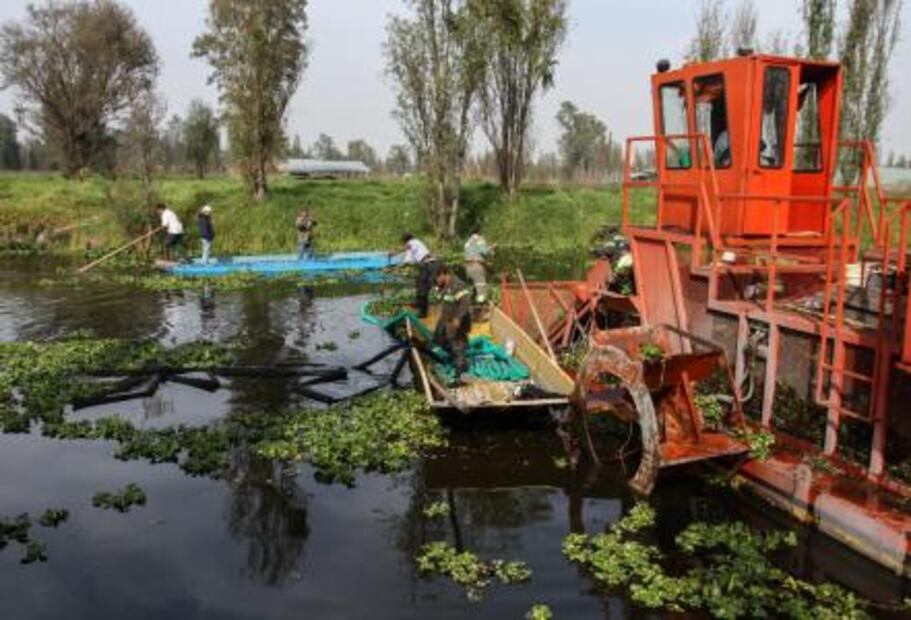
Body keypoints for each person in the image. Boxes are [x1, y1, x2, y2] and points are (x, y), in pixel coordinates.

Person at [433, 264, 472, 383]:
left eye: (437, 278)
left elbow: (465, 303)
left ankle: (461, 373)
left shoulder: (457, 285)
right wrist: (438, 288)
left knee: (457, 345)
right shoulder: (444, 286)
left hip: (457, 320)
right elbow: (441, 299)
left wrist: (458, 318)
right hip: (446, 318)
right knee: (438, 338)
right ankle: (455, 358)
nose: (436, 281)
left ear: (443, 274)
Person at [392, 233, 437, 318]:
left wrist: (394, 253)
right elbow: (409, 259)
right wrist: (399, 266)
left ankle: (423, 313)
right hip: (425, 265)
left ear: (406, 241)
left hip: (428, 264)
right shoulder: (414, 246)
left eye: (403, 242)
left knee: (423, 288)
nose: (403, 244)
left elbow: (406, 250)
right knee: (419, 284)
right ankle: (418, 304)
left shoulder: (413, 242)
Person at [463, 225, 494, 303]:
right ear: (479, 232)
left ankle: (472, 303)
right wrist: (491, 248)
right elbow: (484, 252)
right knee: (481, 290)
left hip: (468, 268)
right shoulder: (479, 239)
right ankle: (481, 305)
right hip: (477, 266)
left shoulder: (467, 242)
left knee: (473, 289)